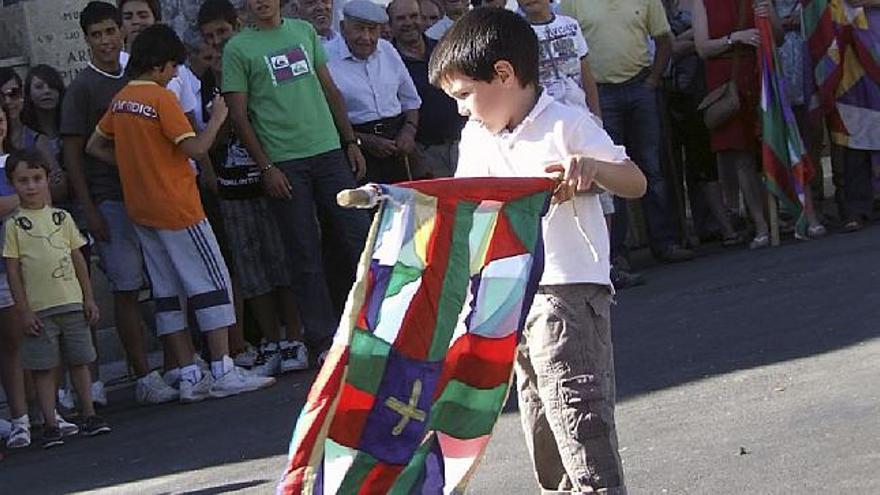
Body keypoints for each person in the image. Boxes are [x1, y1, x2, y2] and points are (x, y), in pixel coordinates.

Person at [429, 8, 645, 493]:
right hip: (507, 291)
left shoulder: (567, 123)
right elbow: (470, 208)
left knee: (577, 410)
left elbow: (634, 182)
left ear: (503, 74)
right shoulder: (476, 136)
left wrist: (589, 170)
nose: (461, 109)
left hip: (566, 287)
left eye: (464, 95)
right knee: (539, 412)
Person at [87, 24, 276, 401]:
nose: (175, 74)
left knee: (167, 291)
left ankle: (188, 372)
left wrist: (135, 167)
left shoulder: (122, 99)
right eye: (173, 67)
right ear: (160, 65)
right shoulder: (160, 99)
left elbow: (95, 145)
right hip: (177, 205)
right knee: (212, 280)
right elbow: (196, 148)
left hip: (142, 208)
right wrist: (220, 116)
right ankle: (223, 367)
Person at [222, 0, 371, 361]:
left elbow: (330, 90)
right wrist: (266, 167)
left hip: (329, 152)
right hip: (285, 163)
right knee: (304, 252)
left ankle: (376, 324)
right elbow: (239, 117)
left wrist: (349, 140)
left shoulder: (303, 31)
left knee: (360, 238)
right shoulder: (237, 48)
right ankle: (322, 339)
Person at [62, 1, 179, 405]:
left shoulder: (138, 77)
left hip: (153, 194)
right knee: (127, 288)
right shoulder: (81, 89)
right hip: (110, 199)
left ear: (121, 31)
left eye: (111, 31)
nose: (106, 40)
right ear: (87, 40)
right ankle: (144, 375)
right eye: (96, 35)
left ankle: (177, 364)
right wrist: (89, 208)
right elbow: (75, 153)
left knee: (165, 283)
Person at [198, 0, 309, 375]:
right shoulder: (203, 82)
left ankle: (295, 336)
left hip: (266, 178)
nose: (216, 44)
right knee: (251, 268)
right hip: (232, 189)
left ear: (238, 28)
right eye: (209, 38)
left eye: (222, 34)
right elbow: (209, 139)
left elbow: (260, 116)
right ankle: (271, 341)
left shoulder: (251, 62)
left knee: (281, 259)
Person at [561, 0, 695, 265]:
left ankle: (666, 243)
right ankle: (617, 254)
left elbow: (663, 39)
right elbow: (572, 50)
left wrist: (653, 80)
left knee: (652, 168)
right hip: (602, 93)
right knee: (609, 172)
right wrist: (590, 102)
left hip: (640, 87)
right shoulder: (572, 2)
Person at [3, 149, 111, 448]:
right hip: (39, 309)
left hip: (71, 301)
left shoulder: (61, 218)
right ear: (13, 184)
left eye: (37, 179)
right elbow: (12, 271)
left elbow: (77, 258)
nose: (31, 186)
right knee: (44, 367)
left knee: (79, 360)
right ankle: (51, 422)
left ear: (48, 179)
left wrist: (88, 297)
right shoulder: (13, 225)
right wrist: (24, 311)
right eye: (23, 180)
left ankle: (88, 413)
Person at [693, 0, 786, 248]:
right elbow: (702, 47)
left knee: (770, 146)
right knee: (740, 155)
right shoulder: (702, 2)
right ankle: (760, 225)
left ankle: (780, 214)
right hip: (727, 79)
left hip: (758, 71)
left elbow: (779, 37)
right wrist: (736, 38)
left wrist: (768, 16)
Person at [663, 0, 744, 246]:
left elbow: (702, 41)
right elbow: (671, 48)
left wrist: (700, 39)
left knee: (732, 150)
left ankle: (732, 215)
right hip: (684, 92)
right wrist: (700, 39)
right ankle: (721, 226)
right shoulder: (660, 6)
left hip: (717, 80)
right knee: (700, 161)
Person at [327, 0, 422, 184]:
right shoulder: (326, 58)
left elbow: (410, 100)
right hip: (354, 148)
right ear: (342, 27)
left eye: (372, 30)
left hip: (397, 143)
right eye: (359, 29)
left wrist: (409, 131)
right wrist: (362, 140)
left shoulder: (387, 50)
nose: (366, 37)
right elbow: (324, 118)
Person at [389, 0, 466, 178]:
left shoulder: (443, 49)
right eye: (401, 18)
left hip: (462, 144)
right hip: (424, 151)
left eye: (414, 16)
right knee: (434, 205)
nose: (409, 22)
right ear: (390, 25)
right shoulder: (387, 60)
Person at [0, 104, 31, 450]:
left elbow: (44, 198)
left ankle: (31, 415)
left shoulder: (15, 163)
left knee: (20, 341)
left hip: (24, 264)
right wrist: (20, 199)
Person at [518, 0, 601, 119]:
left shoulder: (571, 25)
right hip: (543, 121)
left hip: (580, 115)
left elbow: (586, 75)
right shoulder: (516, 34)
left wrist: (597, 117)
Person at [0, 69, 25, 150]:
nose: (7, 101)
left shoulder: (38, 140)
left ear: (22, 93)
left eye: (13, 93)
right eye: (0, 96)